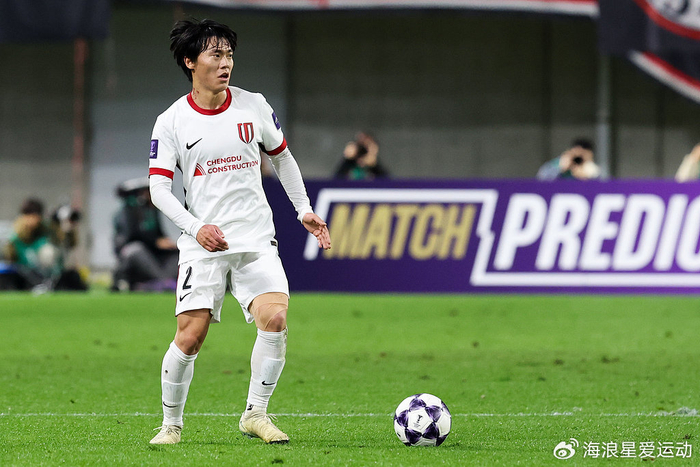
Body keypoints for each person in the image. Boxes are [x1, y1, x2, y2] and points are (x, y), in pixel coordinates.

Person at [147, 19, 331, 445]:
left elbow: (282, 158)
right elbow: (158, 189)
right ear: (190, 61)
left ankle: (256, 414)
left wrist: (303, 209)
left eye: (229, 54)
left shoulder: (253, 106)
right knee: (190, 337)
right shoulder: (171, 121)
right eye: (215, 54)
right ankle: (171, 425)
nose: (225, 63)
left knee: (276, 317)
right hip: (203, 244)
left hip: (254, 239)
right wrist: (196, 228)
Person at [4, 198, 87, 292]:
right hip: (23, 271)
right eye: (29, 216)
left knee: (49, 253)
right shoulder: (15, 233)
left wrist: (67, 228)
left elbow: (69, 243)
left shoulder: (46, 228)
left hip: (44, 271)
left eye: (35, 216)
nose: (31, 220)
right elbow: (9, 257)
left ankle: (49, 282)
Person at [112, 177, 178, 292]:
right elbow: (132, 235)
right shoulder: (129, 211)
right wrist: (155, 242)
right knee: (136, 250)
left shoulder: (153, 212)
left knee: (178, 252)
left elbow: (159, 233)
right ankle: (163, 281)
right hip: (133, 251)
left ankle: (164, 281)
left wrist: (167, 242)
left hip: (152, 251)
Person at [536, 139, 601, 181]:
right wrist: (561, 169)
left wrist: (585, 176)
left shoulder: (591, 168)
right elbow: (541, 180)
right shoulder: (557, 164)